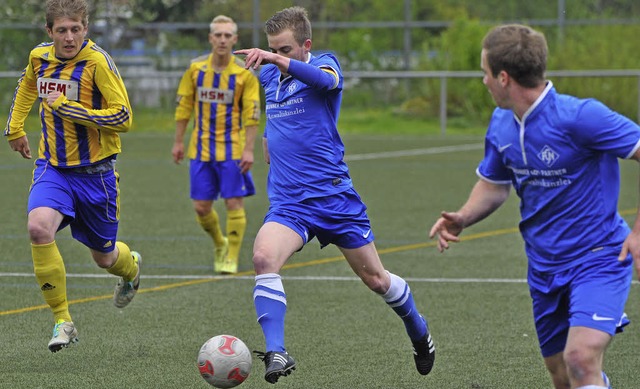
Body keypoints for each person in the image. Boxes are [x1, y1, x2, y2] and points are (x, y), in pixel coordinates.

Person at [429, 24, 640, 389]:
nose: (483, 81)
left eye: (485, 73)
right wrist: (464, 216)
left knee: (580, 357)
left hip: (599, 256)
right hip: (543, 268)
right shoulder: (500, 123)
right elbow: (495, 185)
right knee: (562, 374)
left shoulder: (581, 116)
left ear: (504, 77)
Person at [234, 6, 435, 384]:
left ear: (305, 45)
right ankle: (277, 350)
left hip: (333, 199)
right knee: (263, 258)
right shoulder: (268, 77)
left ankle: (418, 330)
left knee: (377, 280)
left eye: (286, 49)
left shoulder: (325, 64)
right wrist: (267, 141)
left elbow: (326, 84)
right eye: (272, 49)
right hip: (291, 203)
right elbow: (276, 121)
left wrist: (278, 60)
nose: (277, 57)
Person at [4, 0, 141, 353]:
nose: (69, 37)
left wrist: (73, 111)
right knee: (38, 228)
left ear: (86, 29)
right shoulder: (39, 57)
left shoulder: (97, 62)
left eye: (75, 29)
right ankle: (63, 321)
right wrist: (15, 127)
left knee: (105, 258)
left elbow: (123, 117)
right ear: (49, 32)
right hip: (53, 168)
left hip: (96, 176)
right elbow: (26, 88)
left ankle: (131, 270)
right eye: (61, 30)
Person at [172, 15, 260, 274]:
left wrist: (249, 149)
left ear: (235, 39)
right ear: (211, 38)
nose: (222, 40)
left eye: (227, 35)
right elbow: (184, 106)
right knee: (201, 207)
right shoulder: (196, 69)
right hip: (200, 149)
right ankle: (219, 242)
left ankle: (231, 256)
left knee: (234, 203)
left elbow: (252, 113)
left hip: (233, 149)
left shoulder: (245, 73)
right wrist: (178, 141)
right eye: (218, 35)